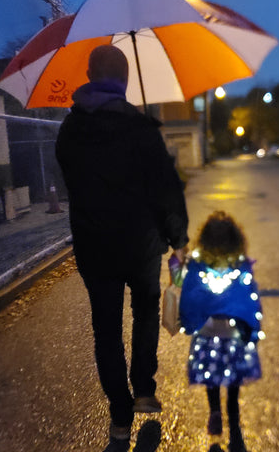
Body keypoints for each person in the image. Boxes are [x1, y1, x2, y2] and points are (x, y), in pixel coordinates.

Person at [55, 44, 189, 446]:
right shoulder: (142, 129)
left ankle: (119, 414)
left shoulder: (69, 131)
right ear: (125, 81)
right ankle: (144, 388)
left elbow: (72, 184)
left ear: (91, 77)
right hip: (142, 245)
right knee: (146, 313)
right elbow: (167, 191)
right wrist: (178, 240)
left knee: (106, 331)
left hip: (95, 249)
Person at [178, 211, 264, 452]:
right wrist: (253, 329)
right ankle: (234, 427)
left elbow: (189, 298)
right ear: (235, 238)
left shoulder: (196, 266)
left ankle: (215, 412)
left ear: (204, 238)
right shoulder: (240, 265)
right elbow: (250, 300)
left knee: (212, 379)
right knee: (233, 383)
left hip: (207, 336)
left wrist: (188, 322)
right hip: (234, 337)